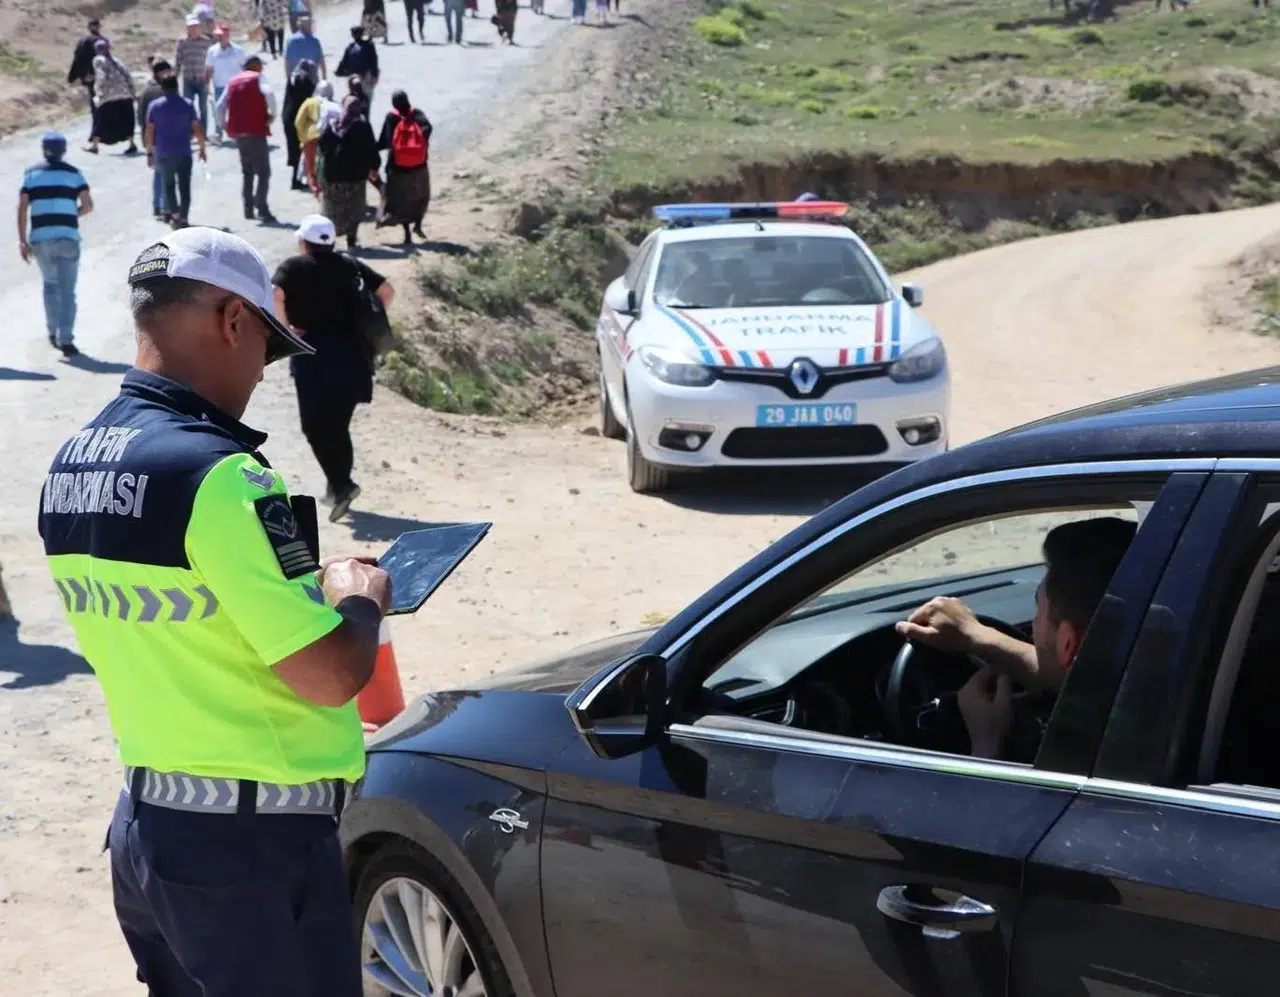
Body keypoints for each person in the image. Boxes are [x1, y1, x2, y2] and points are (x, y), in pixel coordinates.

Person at [37, 226, 390, 997]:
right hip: (252, 854)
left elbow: (171, 637)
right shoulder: (220, 475)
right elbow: (330, 676)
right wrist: (360, 605)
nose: (263, 373)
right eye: (267, 347)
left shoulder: (69, 465)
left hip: (151, 832)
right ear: (234, 319)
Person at [895, 516, 1137, 760]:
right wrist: (976, 635)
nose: (1034, 623)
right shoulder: (1152, 677)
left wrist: (987, 741)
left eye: (1038, 609)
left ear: (1067, 643)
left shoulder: (1087, 753)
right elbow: (1077, 669)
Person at [274, 214, 395, 519]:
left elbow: (276, 294)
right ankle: (337, 486)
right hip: (354, 357)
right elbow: (386, 292)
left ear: (304, 242)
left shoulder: (293, 267)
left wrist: (285, 330)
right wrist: (364, 322)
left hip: (312, 358)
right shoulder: (349, 265)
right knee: (338, 426)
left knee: (314, 427)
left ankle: (342, 485)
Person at [17, 131, 93, 358]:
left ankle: (52, 331)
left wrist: (22, 240)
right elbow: (88, 205)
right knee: (67, 290)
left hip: (40, 238)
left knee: (50, 285)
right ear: (64, 150)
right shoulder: (74, 174)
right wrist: (71, 215)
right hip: (68, 237)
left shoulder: (31, 174)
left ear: (43, 149)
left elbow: (22, 208)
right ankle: (66, 339)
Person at [217, 53, 278, 223]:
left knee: (248, 171)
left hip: (239, 133)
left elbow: (219, 105)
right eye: (261, 65)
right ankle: (262, 207)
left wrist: (223, 125)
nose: (262, 69)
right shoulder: (258, 78)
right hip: (256, 131)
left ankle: (248, 208)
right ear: (255, 66)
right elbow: (270, 94)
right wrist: (273, 115)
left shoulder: (232, 81)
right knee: (264, 172)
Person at [318, 90, 379, 249]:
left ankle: (328, 242)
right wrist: (374, 167)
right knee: (354, 208)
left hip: (333, 177)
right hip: (355, 177)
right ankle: (351, 240)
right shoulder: (362, 126)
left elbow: (322, 146)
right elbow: (371, 148)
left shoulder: (333, 125)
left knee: (332, 210)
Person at [146, 75, 208, 228]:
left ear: (163, 88)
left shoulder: (154, 106)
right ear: (177, 87)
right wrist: (202, 148)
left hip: (164, 153)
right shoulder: (187, 104)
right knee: (185, 186)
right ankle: (185, 216)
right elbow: (197, 128)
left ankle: (175, 214)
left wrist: (149, 152)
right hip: (184, 152)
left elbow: (150, 131)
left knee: (169, 186)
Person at [376, 90, 431, 244]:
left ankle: (407, 234)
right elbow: (428, 130)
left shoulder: (391, 118)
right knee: (421, 197)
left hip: (397, 168)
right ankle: (418, 225)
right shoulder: (418, 115)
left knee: (401, 201)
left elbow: (384, 142)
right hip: (419, 167)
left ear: (394, 104)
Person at [138, 58, 174, 219]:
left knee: (159, 173)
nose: (168, 74)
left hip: (152, 139)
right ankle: (166, 207)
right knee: (166, 174)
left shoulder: (146, 90)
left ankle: (157, 205)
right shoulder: (162, 90)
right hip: (162, 139)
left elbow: (140, 117)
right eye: (165, 71)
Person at [88, 39, 138, 155]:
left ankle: (94, 146)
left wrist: (98, 91)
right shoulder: (117, 61)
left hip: (109, 96)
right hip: (125, 94)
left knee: (101, 120)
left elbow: (101, 76)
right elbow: (127, 75)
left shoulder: (98, 60)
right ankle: (132, 144)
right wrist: (133, 92)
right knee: (127, 120)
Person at [67, 18, 105, 145]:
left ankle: (95, 134)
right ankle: (101, 134)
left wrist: (75, 76)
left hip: (91, 78)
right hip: (103, 78)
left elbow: (78, 59)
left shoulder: (84, 41)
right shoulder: (103, 41)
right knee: (103, 105)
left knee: (95, 105)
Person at [295, 78, 335, 195]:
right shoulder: (332, 104)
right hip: (328, 139)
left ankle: (314, 188)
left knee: (310, 166)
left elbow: (298, 121)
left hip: (311, 137)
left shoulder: (309, 102)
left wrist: (303, 138)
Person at [204, 24, 243, 143]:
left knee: (235, 111)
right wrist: (207, 84)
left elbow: (243, 68)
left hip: (235, 86)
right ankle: (218, 133)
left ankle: (237, 133)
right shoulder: (212, 51)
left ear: (227, 35)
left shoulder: (238, 50)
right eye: (217, 35)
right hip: (219, 85)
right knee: (218, 110)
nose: (219, 37)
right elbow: (209, 68)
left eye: (221, 35)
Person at [283, 59, 317, 192]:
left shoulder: (292, 78)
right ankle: (297, 181)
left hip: (288, 117)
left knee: (294, 149)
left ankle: (296, 179)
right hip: (300, 119)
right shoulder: (306, 82)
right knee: (302, 148)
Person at [174, 15, 213, 133]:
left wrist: (209, 79)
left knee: (203, 108)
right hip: (188, 79)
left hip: (202, 79)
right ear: (188, 29)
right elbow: (178, 61)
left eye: (196, 27)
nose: (194, 29)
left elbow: (210, 62)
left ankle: (204, 131)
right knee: (187, 107)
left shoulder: (206, 42)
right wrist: (174, 78)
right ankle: (190, 132)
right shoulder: (182, 42)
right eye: (191, 27)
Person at [336, 26, 380, 105]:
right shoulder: (369, 45)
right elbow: (374, 61)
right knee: (367, 100)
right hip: (365, 77)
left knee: (353, 100)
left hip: (353, 79)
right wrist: (375, 75)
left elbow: (343, 62)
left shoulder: (350, 47)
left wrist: (338, 72)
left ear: (353, 36)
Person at [285, 14, 327, 78]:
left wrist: (288, 78)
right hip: (312, 80)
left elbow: (287, 61)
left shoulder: (290, 40)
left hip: (295, 80)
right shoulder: (315, 41)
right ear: (307, 27)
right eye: (310, 25)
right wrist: (324, 78)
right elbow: (321, 61)